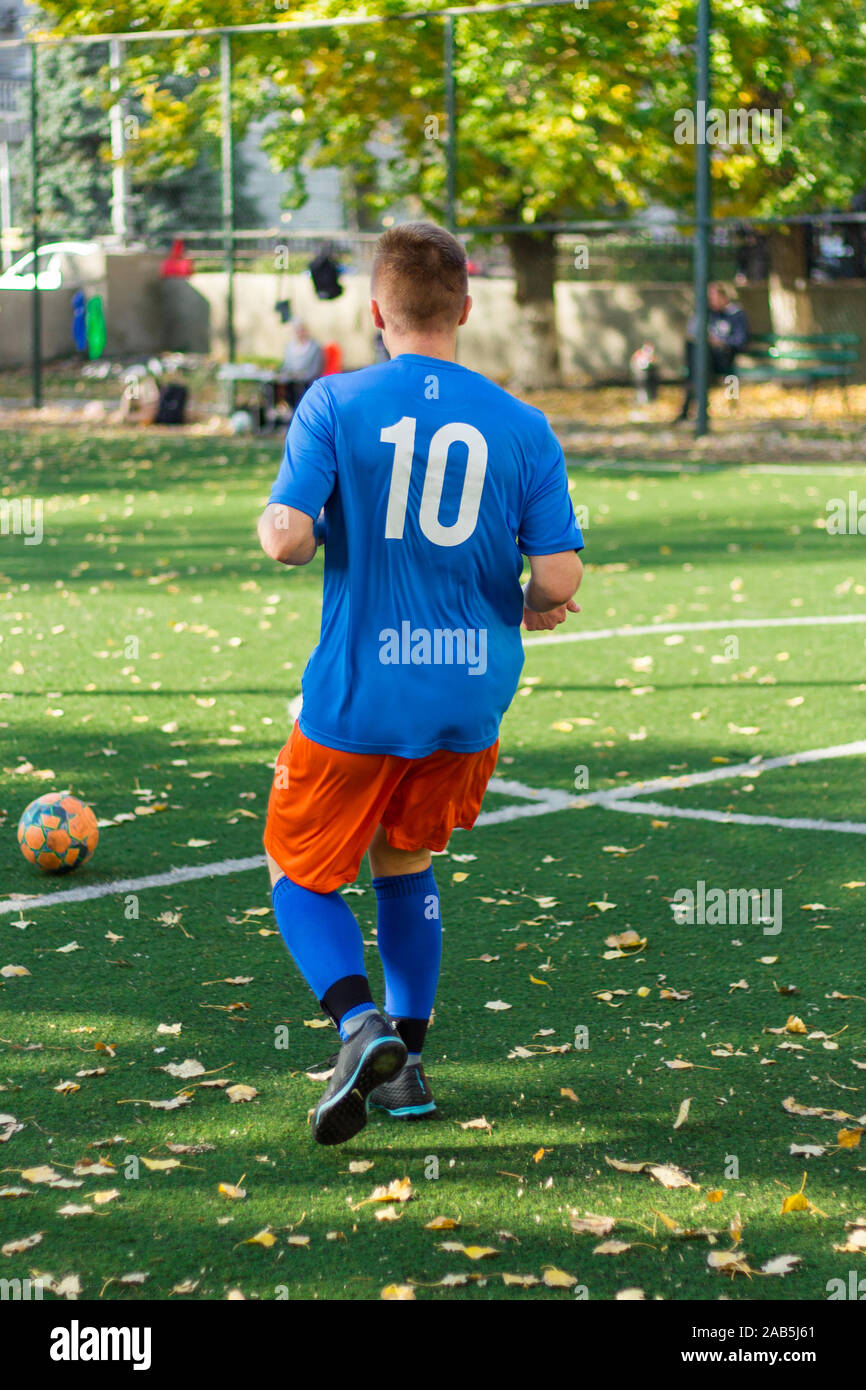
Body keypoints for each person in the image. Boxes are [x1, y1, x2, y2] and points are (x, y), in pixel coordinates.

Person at [257, 221, 584, 1147]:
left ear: (375, 310)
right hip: (469, 703)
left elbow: (285, 536)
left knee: (295, 869)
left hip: (363, 696)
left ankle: (359, 1029)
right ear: (466, 310)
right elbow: (558, 578)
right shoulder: (522, 423)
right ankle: (409, 1069)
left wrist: (303, 531)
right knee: (404, 858)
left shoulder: (333, 399)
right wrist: (525, 604)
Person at [675, 282, 750, 422]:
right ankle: (698, 406)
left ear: (723, 297)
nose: (709, 302)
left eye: (712, 298)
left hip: (724, 357)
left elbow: (741, 341)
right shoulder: (707, 313)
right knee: (693, 349)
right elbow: (692, 332)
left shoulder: (735, 314)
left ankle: (689, 408)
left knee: (697, 364)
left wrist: (721, 342)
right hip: (705, 359)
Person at [277, 321, 324, 412]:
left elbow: (316, 369)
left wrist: (301, 376)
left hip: (306, 380)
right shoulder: (289, 347)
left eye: (301, 330)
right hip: (291, 379)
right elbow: (286, 365)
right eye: (297, 331)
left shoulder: (315, 347)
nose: (299, 333)